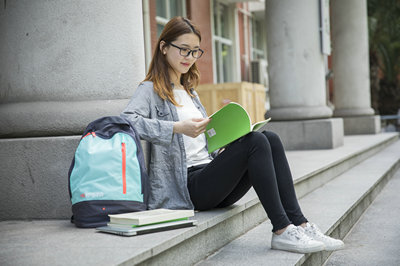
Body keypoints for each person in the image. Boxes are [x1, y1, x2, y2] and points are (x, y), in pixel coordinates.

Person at [121, 16, 344, 254]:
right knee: (256, 142)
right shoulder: (150, 90)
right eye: (183, 50)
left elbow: (200, 144)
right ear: (164, 47)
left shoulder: (190, 92)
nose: (189, 58)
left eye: (195, 51)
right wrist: (176, 128)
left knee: (270, 138)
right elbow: (128, 122)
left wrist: (223, 148)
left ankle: (301, 224)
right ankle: (281, 230)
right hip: (187, 187)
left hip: (209, 174)